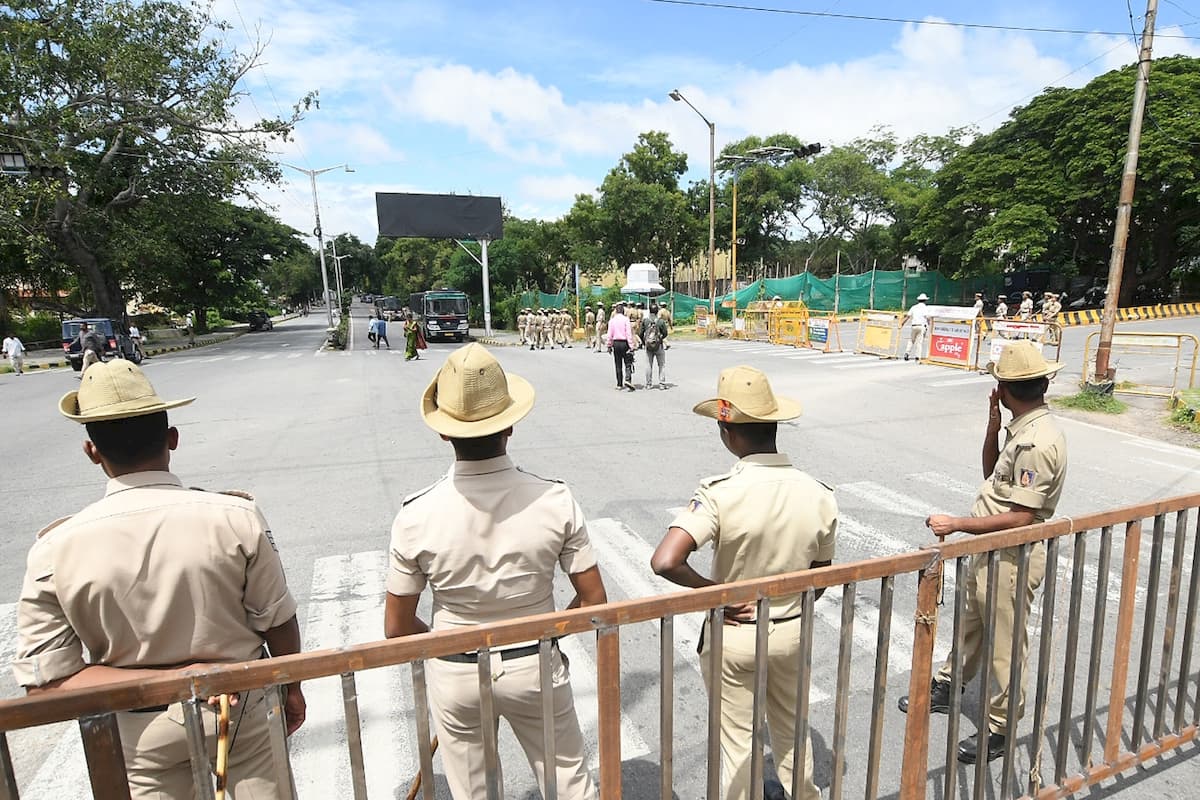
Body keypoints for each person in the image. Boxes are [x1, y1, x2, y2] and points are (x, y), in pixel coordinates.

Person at [12, 360, 306, 797]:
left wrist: (175, 680)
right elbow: (277, 621)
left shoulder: (55, 548)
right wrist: (292, 688)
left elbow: (46, 682)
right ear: (172, 439)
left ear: (92, 451)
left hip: (138, 726)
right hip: (239, 704)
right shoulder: (233, 516)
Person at [385, 344, 606, 800]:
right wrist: (547, 632)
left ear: (444, 434)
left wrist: (448, 643)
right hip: (534, 660)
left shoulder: (415, 514)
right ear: (510, 424)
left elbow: (397, 627)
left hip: (457, 667)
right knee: (568, 783)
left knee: (475, 791)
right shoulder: (554, 499)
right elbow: (593, 601)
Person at [651, 365, 835, 800]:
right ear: (774, 425)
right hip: (791, 627)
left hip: (736, 631)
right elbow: (822, 574)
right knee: (792, 730)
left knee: (738, 741)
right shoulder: (818, 492)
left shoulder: (720, 491)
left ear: (726, 430)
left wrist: (719, 597)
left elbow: (665, 560)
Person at [898, 340, 1067, 764]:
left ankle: (1001, 727)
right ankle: (950, 683)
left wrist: (956, 525)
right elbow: (990, 472)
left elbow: (1022, 517)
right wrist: (993, 422)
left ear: (1006, 388)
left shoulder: (1038, 442)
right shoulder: (1021, 429)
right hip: (990, 549)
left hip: (1012, 554)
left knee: (1007, 644)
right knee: (972, 623)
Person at [607, 302, 635, 391]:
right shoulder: (626, 320)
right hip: (624, 343)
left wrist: (609, 345)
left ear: (615, 311)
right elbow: (628, 334)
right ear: (623, 311)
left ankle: (619, 384)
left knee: (618, 363)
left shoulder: (612, 321)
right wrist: (631, 346)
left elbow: (609, 334)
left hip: (616, 343)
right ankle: (628, 380)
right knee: (627, 362)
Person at [642, 302, 668, 389]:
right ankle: (662, 384)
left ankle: (648, 384)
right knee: (661, 365)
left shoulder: (645, 321)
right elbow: (665, 333)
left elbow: (641, 333)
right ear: (657, 311)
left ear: (650, 311)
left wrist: (645, 342)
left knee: (648, 364)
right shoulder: (660, 321)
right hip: (659, 346)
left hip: (648, 346)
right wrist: (659, 338)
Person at [901, 293, 930, 361]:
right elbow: (927, 317)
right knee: (919, 342)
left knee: (911, 340)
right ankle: (917, 356)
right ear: (925, 300)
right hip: (922, 326)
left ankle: (907, 353)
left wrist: (902, 323)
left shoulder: (914, 307)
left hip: (914, 325)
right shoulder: (925, 308)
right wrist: (929, 323)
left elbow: (908, 316)